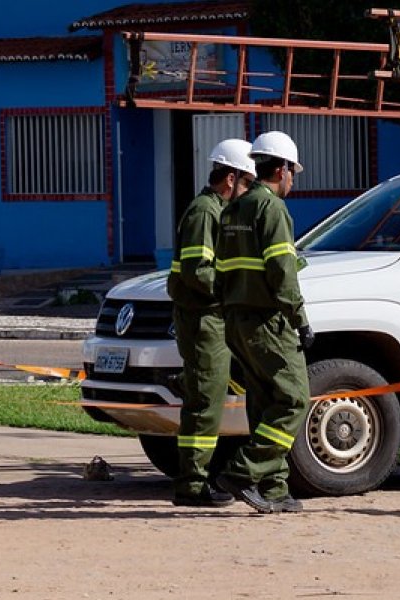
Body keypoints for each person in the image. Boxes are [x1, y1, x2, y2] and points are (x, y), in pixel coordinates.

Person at [214, 130, 315, 514]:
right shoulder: (271, 210)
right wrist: (300, 320)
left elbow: (220, 270)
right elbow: (282, 272)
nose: (293, 180)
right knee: (292, 399)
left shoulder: (233, 210)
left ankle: (273, 488)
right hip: (267, 321)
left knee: (263, 402)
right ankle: (243, 472)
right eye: (294, 173)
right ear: (284, 169)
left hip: (237, 320)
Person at [167, 138, 256, 507]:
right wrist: (232, 291)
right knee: (205, 401)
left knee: (209, 396)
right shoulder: (206, 211)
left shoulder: (217, 209)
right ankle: (192, 485)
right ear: (231, 178)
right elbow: (197, 271)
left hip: (209, 317)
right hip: (204, 317)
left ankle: (198, 475)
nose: (248, 192)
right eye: (248, 184)